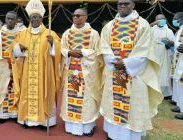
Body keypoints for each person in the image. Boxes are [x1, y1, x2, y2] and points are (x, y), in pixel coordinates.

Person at [99, 0, 163, 139]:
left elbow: (145, 50)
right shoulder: (109, 26)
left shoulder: (143, 24)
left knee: (133, 108)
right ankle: (113, 135)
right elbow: (104, 47)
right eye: (119, 4)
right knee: (113, 105)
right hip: (114, 72)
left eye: (126, 3)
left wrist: (127, 63)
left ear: (133, 5)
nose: (122, 6)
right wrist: (113, 61)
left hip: (135, 74)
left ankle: (131, 136)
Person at [13, 0, 61, 128]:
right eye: (32, 17)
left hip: (44, 73)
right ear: (29, 18)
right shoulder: (22, 33)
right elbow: (14, 49)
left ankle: (45, 122)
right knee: (27, 95)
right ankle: (27, 120)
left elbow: (58, 51)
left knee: (44, 93)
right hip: (27, 72)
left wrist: (52, 44)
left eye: (37, 17)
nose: (35, 19)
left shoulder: (50, 33)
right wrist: (19, 48)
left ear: (41, 18)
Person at [60, 8, 103, 136]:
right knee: (71, 98)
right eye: (73, 15)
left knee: (87, 100)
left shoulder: (93, 34)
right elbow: (62, 49)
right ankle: (71, 126)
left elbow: (98, 53)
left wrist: (83, 53)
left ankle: (87, 127)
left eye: (78, 15)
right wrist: (68, 52)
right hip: (71, 71)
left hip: (87, 73)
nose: (75, 18)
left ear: (85, 17)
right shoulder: (67, 33)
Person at [151, 14, 175, 98]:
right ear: (155, 21)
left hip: (165, 55)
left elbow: (173, 45)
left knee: (164, 74)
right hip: (153, 55)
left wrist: (168, 43)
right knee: (153, 73)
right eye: (159, 20)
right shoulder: (152, 30)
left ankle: (166, 93)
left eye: (163, 19)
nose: (162, 21)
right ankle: (153, 92)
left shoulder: (169, 31)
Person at [171, 12, 183, 120]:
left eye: (175, 18)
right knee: (179, 83)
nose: (174, 20)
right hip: (179, 60)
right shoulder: (180, 30)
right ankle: (180, 105)